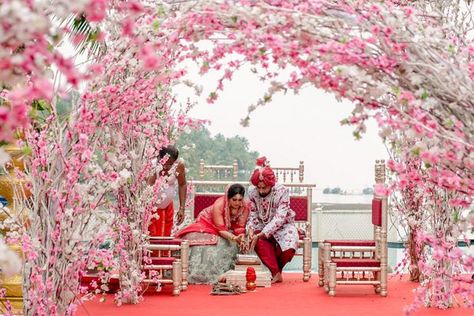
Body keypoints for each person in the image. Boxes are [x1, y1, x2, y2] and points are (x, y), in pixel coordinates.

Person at [175, 183, 250, 284]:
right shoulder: (219, 205)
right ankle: (210, 274)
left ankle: (231, 273)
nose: (237, 203)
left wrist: (240, 237)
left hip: (227, 230)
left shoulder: (244, 207)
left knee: (241, 245)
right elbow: (221, 229)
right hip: (207, 223)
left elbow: (240, 228)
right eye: (234, 200)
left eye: (240, 200)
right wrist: (234, 238)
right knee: (211, 245)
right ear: (228, 198)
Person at [246, 157, 298, 283]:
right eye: (259, 188)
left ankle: (276, 270)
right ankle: (275, 273)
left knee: (289, 246)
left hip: (283, 225)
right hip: (261, 225)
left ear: (271, 184)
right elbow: (252, 214)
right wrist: (251, 231)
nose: (261, 190)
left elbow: (280, 218)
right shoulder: (252, 192)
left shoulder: (282, 191)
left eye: (264, 188)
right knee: (256, 242)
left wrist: (262, 234)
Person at [147, 145, 187, 237]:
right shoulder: (153, 166)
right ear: (159, 158)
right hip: (152, 209)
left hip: (167, 207)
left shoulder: (179, 166)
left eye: (170, 164)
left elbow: (182, 184)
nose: (166, 167)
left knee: (166, 237)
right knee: (152, 238)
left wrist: (182, 208)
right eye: (164, 163)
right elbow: (148, 188)